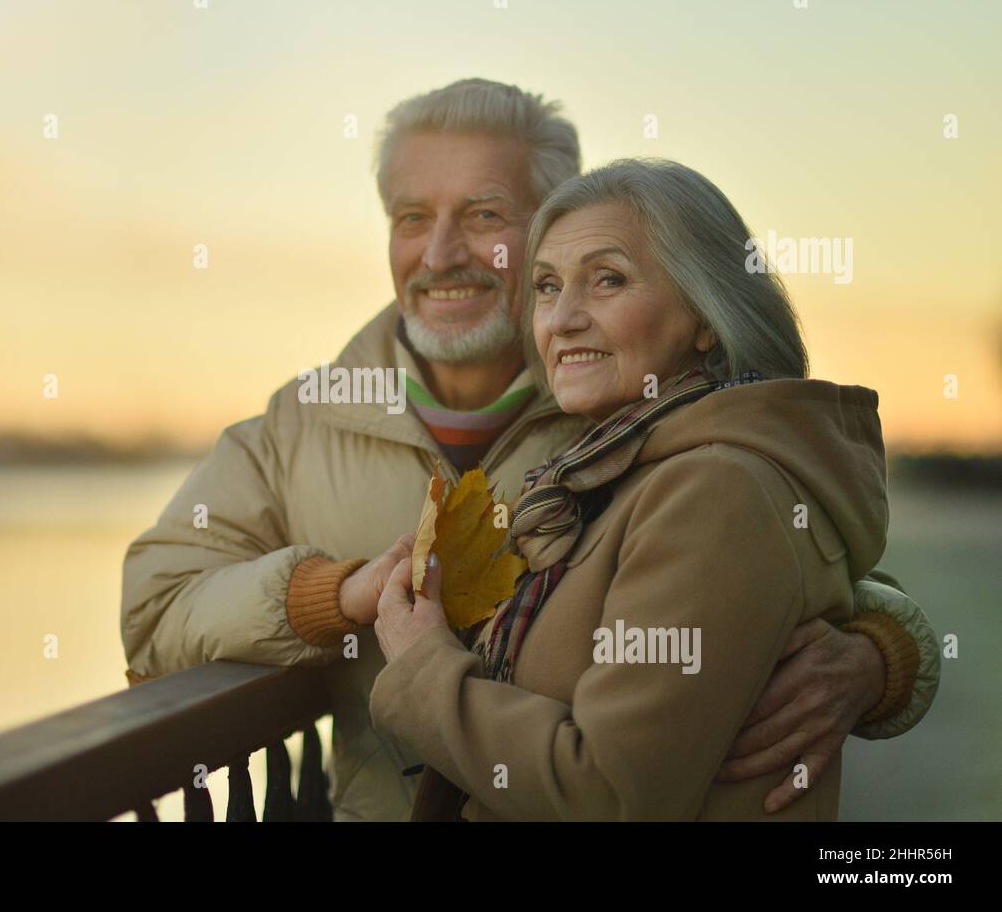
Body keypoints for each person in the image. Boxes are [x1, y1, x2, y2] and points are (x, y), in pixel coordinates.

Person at [122, 80, 938, 821]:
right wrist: (336, 596)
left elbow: (776, 556)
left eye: (483, 215)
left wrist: (882, 653)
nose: (440, 254)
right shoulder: (302, 421)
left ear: (557, 215)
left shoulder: (625, 410)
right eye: (412, 217)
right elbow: (155, 608)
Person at [370, 158, 931, 820]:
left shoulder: (713, 490)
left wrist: (421, 666)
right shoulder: (602, 472)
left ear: (705, 315)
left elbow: (610, 793)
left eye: (608, 279)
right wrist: (886, 648)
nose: (564, 318)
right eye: (548, 287)